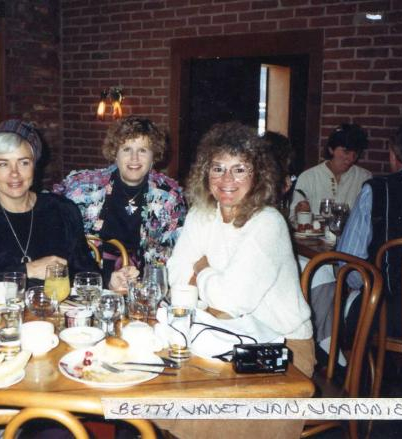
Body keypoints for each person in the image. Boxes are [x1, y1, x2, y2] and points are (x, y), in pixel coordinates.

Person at [161, 122, 313, 439]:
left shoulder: (268, 222)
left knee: (207, 410)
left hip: (280, 347)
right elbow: (176, 276)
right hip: (219, 331)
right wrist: (207, 282)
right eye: (217, 168)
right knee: (161, 381)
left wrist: (201, 271)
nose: (226, 180)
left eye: (239, 169)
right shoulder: (201, 214)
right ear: (205, 173)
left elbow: (233, 299)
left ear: (257, 175)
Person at [0, 119, 137, 293]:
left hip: (56, 318)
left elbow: (83, 270)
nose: (14, 174)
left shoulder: (62, 210)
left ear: (34, 166)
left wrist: (110, 281)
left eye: (23, 162)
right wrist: (27, 271)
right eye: (3, 164)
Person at [53, 115, 186, 283]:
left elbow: (176, 254)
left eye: (143, 150)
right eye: (126, 149)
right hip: (93, 280)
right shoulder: (83, 189)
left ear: (154, 157)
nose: (134, 158)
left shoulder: (169, 198)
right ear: (115, 154)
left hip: (144, 282)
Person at [339, 120, 402, 339]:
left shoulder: (376, 190)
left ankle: (357, 370)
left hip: (388, 316)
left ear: (393, 155)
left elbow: (349, 264)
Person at [290, 123, 371, 216]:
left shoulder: (364, 178)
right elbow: (293, 217)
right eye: (346, 152)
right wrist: (299, 211)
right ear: (331, 149)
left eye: (355, 153)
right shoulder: (308, 177)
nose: (351, 158)